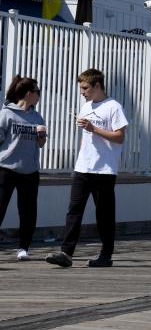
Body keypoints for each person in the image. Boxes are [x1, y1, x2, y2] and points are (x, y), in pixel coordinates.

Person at [46, 69, 128, 268]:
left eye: (85, 88)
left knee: (104, 214)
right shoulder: (86, 106)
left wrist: (95, 129)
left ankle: (106, 255)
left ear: (97, 86)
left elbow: (119, 137)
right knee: (74, 210)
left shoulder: (113, 107)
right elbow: (87, 139)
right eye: (81, 88)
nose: (82, 92)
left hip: (104, 170)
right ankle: (66, 253)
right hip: (83, 168)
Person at [0, 76, 46, 261]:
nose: (39, 96)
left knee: (28, 211)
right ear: (29, 94)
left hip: (30, 172)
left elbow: (41, 144)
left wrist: (41, 137)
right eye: (38, 92)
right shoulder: (6, 114)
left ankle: (23, 247)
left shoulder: (37, 116)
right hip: (6, 169)